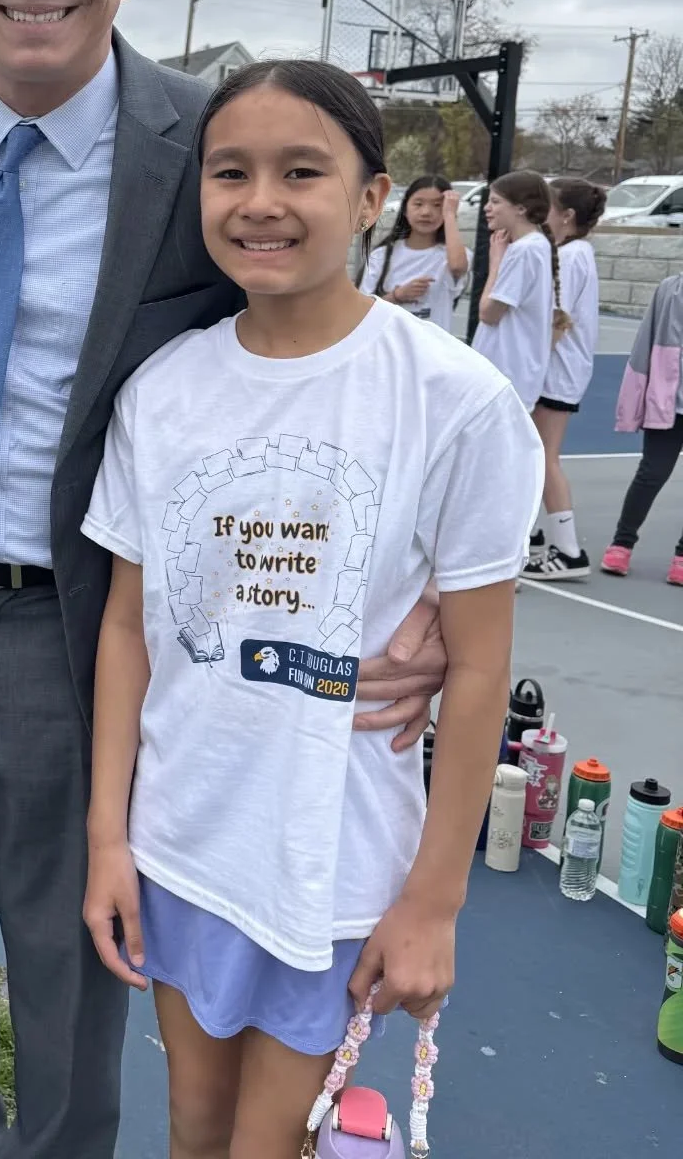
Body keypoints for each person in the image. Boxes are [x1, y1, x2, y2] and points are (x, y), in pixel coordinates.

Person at [0, 0, 445, 1159]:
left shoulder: (207, 148)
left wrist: (428, 610)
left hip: (97, 631)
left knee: (79, 971)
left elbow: (335, 335)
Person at [82, 61, 543, 1158]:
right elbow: (124, 630)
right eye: (230, 172)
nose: (261, 202)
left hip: (327, 865)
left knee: (268, 1144)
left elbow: (477, 669)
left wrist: (436, 902)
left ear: (373, 196)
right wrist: (110, 837)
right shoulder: (162, 393)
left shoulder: (452, 400)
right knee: (193, 1130)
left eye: (303, 171)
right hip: (182, 843)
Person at [524, 179, 606, 581]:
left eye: (549, 210)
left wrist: (531, 363)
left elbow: (559, 318)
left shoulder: (571, 257)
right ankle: (540, 535)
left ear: (567, 216)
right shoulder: (574, 253)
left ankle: (568, 549)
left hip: (556, 373)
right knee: (538, 456)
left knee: (543, 458)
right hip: (559, 371)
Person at [603, 271, 683, 586]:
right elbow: (645, 342)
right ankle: (622, 543)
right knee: (651, 473)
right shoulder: (669, 289)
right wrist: (636, 395)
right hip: (668, 402)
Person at [471, 169, 567, 412]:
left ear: (521, 208)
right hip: (510, 376)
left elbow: (488, 313)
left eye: (495, 202)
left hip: (505, 374)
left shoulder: (524, 251)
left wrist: (495, 263)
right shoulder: (534, 246)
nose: (487, 208)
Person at [357, 174, 468, 328]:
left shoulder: (452, 255)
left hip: (430, 349)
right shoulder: (382, 256)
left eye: (437, 205)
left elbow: (457, 267)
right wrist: (397, 295)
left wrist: (450, 215)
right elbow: (361, 310)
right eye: (418, 203)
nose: (426, 212)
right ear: (405, 209)